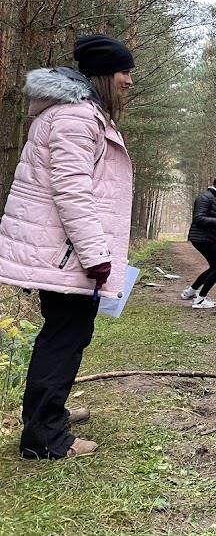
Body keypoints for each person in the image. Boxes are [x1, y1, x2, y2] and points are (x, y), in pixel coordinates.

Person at [0, 35, 135, 459]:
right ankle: (44, 438)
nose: (129, 81)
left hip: (63, 250)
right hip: (67, 252)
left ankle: (48, 414)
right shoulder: (76, 117)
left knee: (66, 333)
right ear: (104, 74)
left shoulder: (79, 114)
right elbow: (72, 193)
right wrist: (96, 255)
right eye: (124, 72)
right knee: (64, 336)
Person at [181, 174, 216, 308]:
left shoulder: (212, 198)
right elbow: (198, 218)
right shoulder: (205, 197)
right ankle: (200, 299)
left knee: (214, 266)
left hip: (206, 238)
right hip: (202, 238)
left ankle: (191, 292)